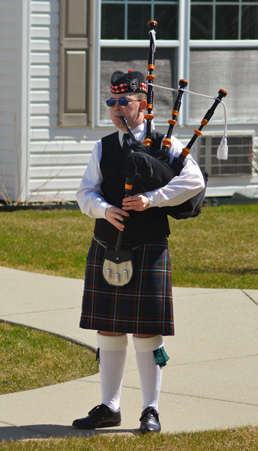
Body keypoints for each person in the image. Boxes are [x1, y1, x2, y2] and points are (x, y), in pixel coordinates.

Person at [73, 70, 205, 433]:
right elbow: (85, 192)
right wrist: (103, 209)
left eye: (124, 102)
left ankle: (151, 410)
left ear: (142, 104)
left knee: (147, 332)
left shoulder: (166, 145)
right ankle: (109, 407)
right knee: (109, 330)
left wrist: (152, 199)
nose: (116, 108)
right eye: (111, 102)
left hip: (149, 245)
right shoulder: (103, 146)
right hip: (107, 242)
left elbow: (194, 181)